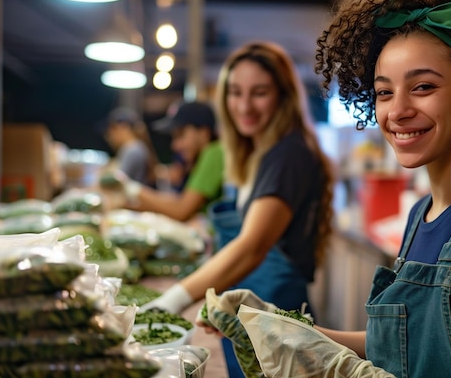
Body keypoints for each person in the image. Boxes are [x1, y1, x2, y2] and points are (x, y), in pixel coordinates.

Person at [203, 0, 451, 378]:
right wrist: (281, 327)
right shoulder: (420, 217)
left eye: (423, 87)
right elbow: (395, 347)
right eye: (384, 92)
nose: (398, 111)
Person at [141, 41, 335, 377]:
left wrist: (172, 299)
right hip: (246, 311)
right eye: (235, 92)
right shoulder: (257, 151)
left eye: (259, 92)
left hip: (274, 310)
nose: (244, 105)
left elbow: (251, 247)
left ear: (283, 95)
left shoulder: (288, 155)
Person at [100, 101, 225, 222]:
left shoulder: (214, 152)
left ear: (204, 132)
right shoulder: (202, 157)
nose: (175, 145)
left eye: (181, 135)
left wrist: (130, 188)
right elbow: (176, 201)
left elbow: (181, 210)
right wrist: (127, 205)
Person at [103, 106, 158, 187]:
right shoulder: (136, 146)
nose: (109, 136)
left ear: (123, 127)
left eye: (112, 129)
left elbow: (117, 180)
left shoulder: (132, 149)